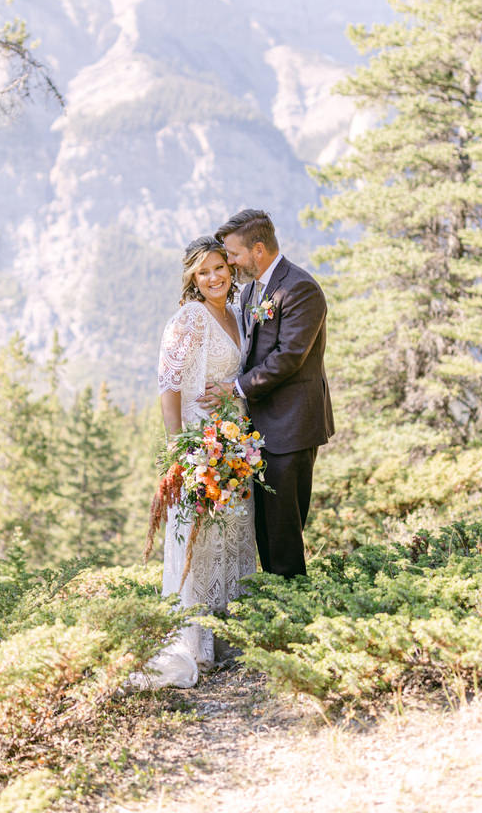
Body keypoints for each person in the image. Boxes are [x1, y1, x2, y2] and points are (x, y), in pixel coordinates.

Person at [131, 236, 255, 689]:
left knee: (233, 534)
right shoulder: (188, 319)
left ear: (230, 268)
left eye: (220, 267)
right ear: (192, 279)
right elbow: (168, 384)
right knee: (200, 539)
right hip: (202, 443)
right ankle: (196, 642)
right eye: (203, 272)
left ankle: (229, 635)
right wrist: (181, 448)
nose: (214, 277)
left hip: (237, 443)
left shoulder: (239, 314)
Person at [204, 209, 334, 578]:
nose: (229, 262)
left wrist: (235, 388)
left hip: (291, 426)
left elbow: (289, 357)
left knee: (284, 530)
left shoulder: (300, 288)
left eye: (233, 254)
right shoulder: (251, 291)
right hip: (259, 428)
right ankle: (276, 604)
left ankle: (292, 610)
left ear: (257, 249)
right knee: (265, 529)